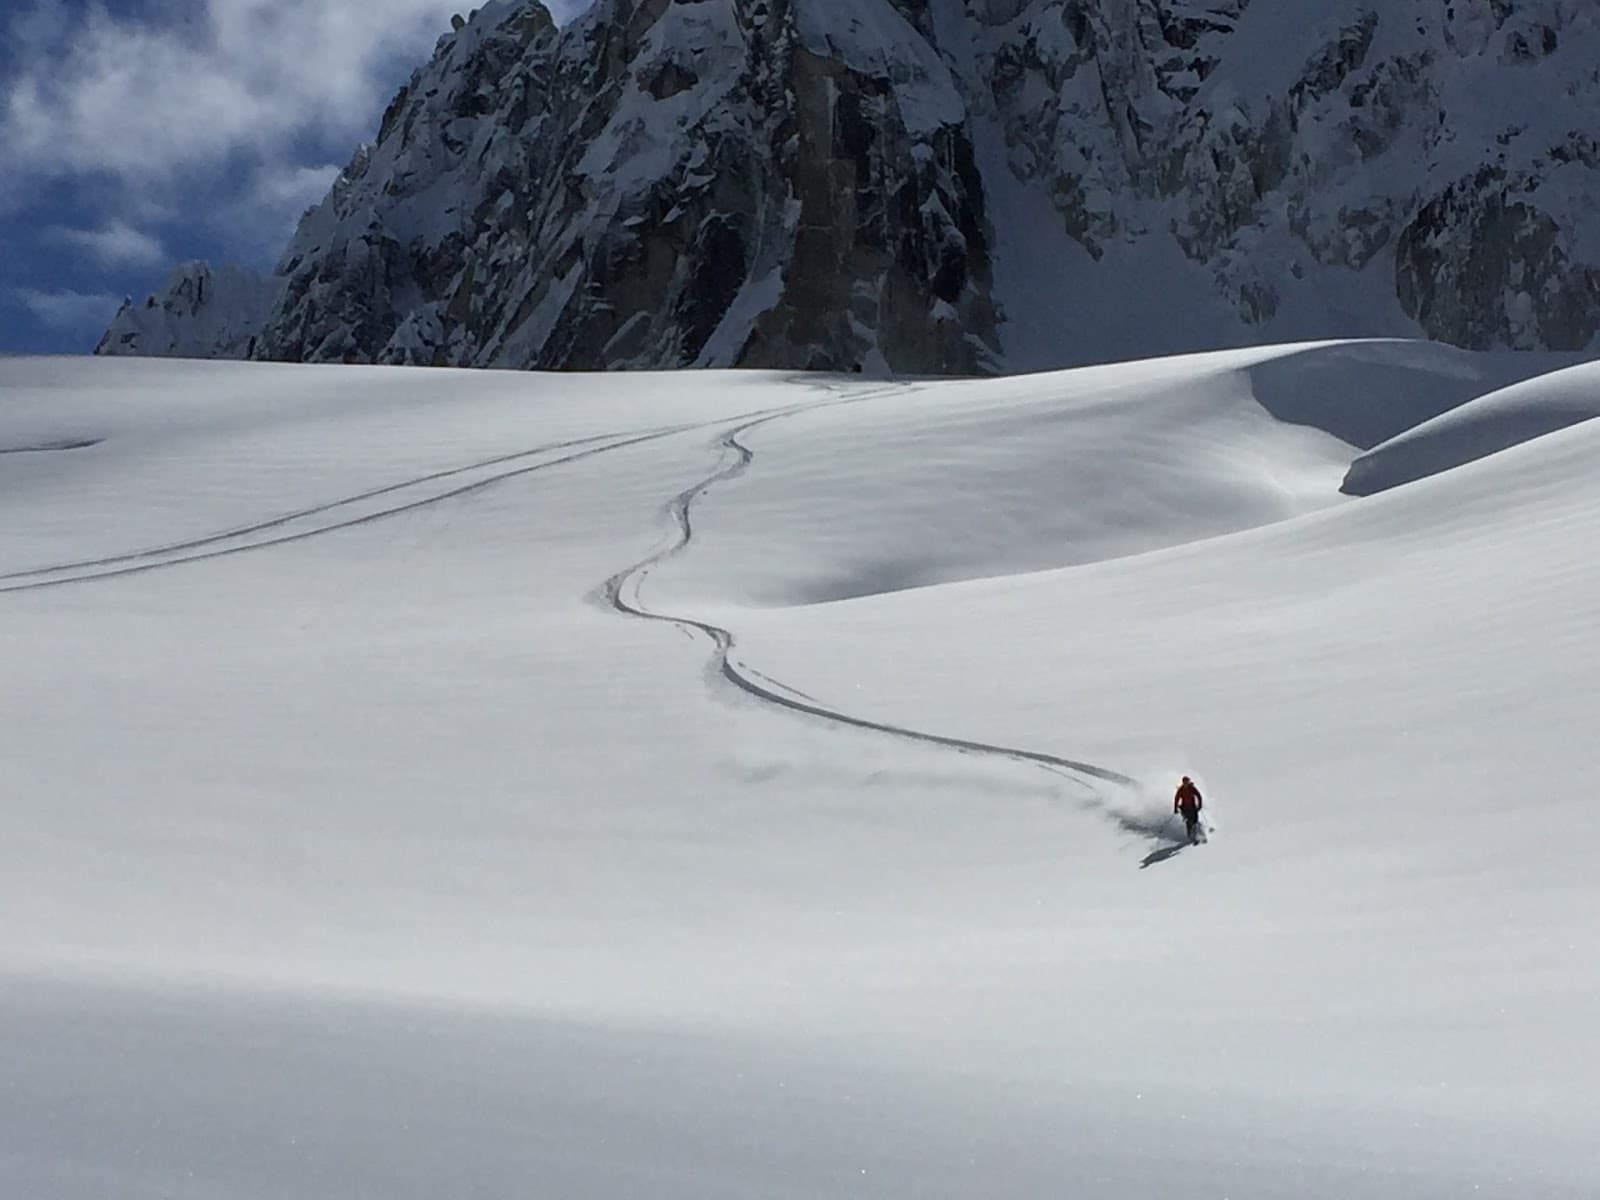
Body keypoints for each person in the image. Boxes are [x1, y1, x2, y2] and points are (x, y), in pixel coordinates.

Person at [1174, 776, 1204, 844]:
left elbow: (1199, 796)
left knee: (1195, 821)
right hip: (1184, 808)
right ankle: (1190, 836)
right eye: (1184, 782)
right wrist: (1175, 808)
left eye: (1187, 782)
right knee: (1188, 822)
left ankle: (1200, 834)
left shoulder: (1192, 788)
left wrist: (1200, 805)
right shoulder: (1180, 790)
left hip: (1193, 808)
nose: (1186, 783)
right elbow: (1176, 799)